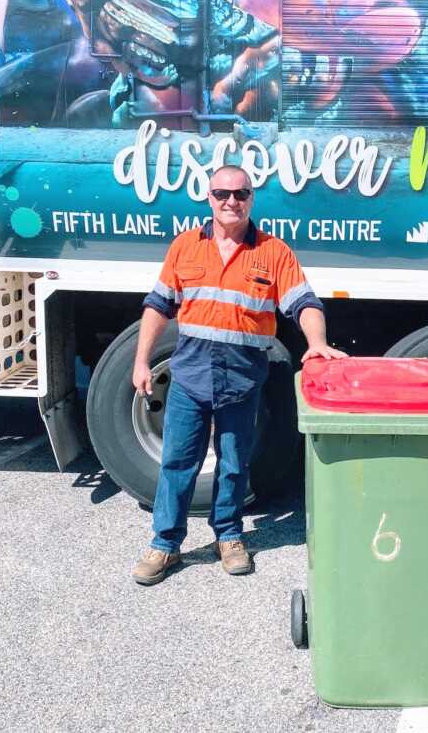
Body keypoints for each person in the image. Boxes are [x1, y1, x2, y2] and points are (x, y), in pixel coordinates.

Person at [131, 164, 346, 584]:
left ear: (252, 198)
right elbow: (157, 305)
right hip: (189, 378)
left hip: (243, 381)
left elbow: (305, 302)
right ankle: (165, 544)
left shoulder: (274, 252)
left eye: (241, 193)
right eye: (221, 193)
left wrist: (316, 343)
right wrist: (141, 361)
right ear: (208, 198)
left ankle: (228, 536)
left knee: (233, 464)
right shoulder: (185, 247)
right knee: (178, 463)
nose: (231, 201)